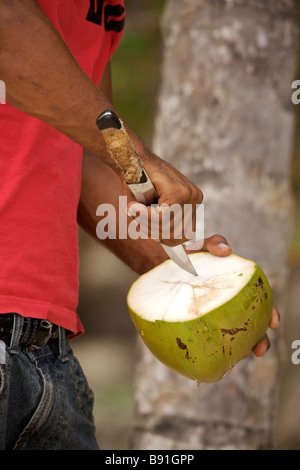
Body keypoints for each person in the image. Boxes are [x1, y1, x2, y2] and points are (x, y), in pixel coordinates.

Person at [0, 0, 279, 450]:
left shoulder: (108, 5)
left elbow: (84, 154)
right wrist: (135, 157)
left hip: (45, 352)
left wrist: (184, 275)